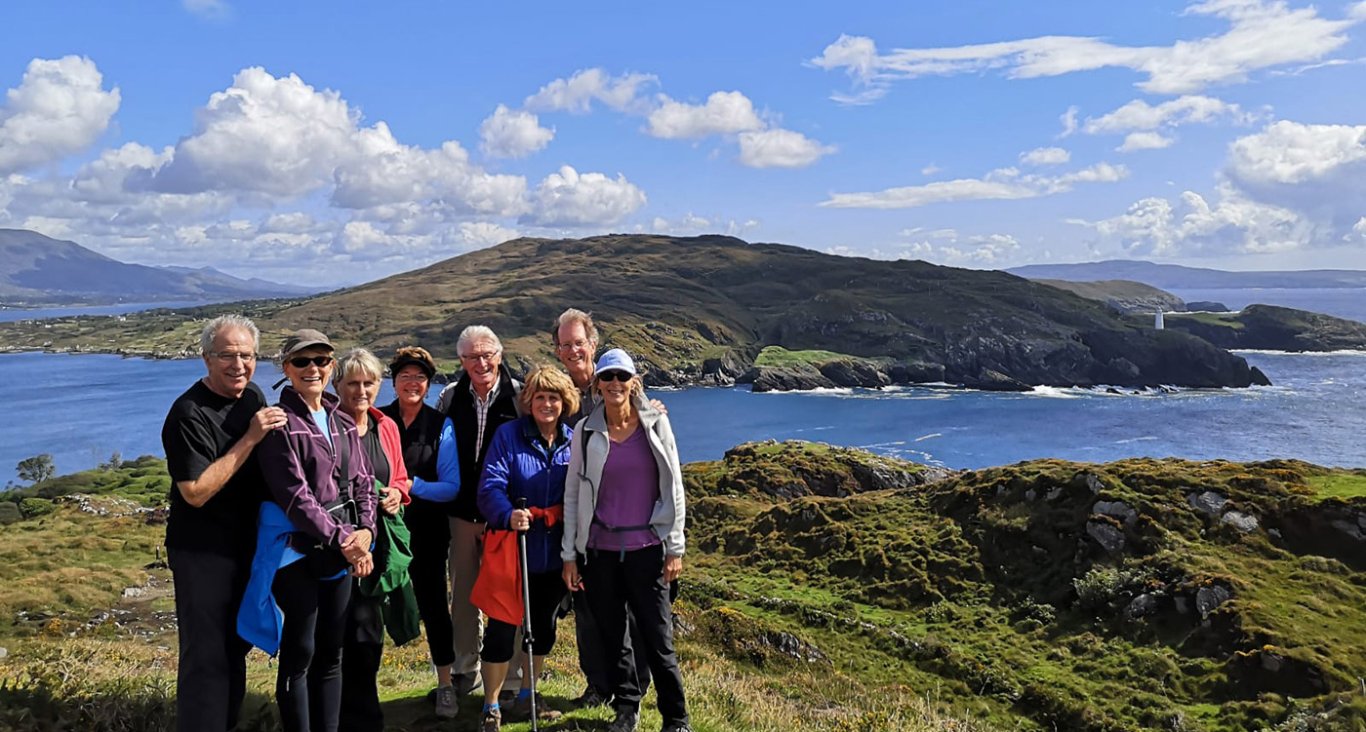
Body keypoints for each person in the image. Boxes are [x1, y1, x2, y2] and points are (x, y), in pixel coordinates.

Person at [161, 314, 285, 732]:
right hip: (202, 551)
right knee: (206, 657)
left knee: (234, 648)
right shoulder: (187, 414)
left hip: (244, 546)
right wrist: (250, 437)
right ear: (206, 358)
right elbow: (194, 491)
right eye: (228, 355)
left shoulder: (251, 395)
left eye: (247, 355)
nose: (239, 365)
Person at [254, 330, 378, 732]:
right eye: (302, 362)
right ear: (285, 368)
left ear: (331, 367)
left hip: (340, 552)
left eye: (321, 361)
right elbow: (295, 497)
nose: (313, 369)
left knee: (332, 652)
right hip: (299, 553)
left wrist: (367, 534)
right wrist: (347, 540)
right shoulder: (280, 425)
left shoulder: (341, 420)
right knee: (300, 653)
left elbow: (363, 482)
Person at [562, 349, 691, 732]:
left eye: (622, 377)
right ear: (598, 385)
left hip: (648, 552)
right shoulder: (586, 431)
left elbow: (674, 489)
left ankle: (676, 718)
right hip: (600, 553)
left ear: (634, 382)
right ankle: (627, 709)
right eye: (608, 377)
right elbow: (573, 494)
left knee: (658, 639)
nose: (615, 384)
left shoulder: (657, 425)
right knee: (614, 637)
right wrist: (570, 554)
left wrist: (676, 548)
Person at [551, 308, 651, 708]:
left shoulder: (616, 384)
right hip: (580, 524)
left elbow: (651, 435)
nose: (574, 350)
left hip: (628, 527)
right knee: (588, 611)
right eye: (566, 344)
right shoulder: (554, 392)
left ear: (593, 344)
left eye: (580, 342)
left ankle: (634, 689)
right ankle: (598, 685)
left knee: (632, 613)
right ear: (556, 350)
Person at [472, 366, 579, 731]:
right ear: (528, 401)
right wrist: (507, 514)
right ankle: (490, 705)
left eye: (554, 397)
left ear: (565, 403)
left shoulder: (572, 441)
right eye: (540, 397)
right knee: (502, 629)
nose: (547, 404)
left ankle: (527, 695)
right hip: (512, 552)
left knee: (544, 629)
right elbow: (489, 486)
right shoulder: (508, 436)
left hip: (553, 554)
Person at [435, 325, 523, 699]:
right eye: (472, 356)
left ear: (500, 355)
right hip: (462, 516)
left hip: (504, 518)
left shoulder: (520, 397)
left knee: (509, 596)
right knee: (465, 595)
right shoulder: (449, 397)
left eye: (487, 354)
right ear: (461, 361)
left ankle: (513, 678)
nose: (481, 362)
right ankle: (463, 668)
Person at [378, 346, 464, 719]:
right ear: (394, 382)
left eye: (420, 378)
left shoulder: (441, 426)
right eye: (405, 377)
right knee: (370, 609)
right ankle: (365, 689)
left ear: (429, 385)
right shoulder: (376, 420)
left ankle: (445, 685)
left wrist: (409, 486)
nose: (412, 383)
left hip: (427, 533)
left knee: (433, 606)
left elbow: (452, 486)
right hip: (380, 529)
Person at [333, 348, 414, 732]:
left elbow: (398, 476)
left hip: (378, 547)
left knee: (368, 633)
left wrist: (398, 492)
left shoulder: (386, 426)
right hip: (339, 544)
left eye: (368, 383)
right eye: (353, 383)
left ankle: (363, 715)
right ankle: (350, 717)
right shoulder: (328, 426)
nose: (361, 391)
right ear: (338, 386)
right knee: (340, 633)